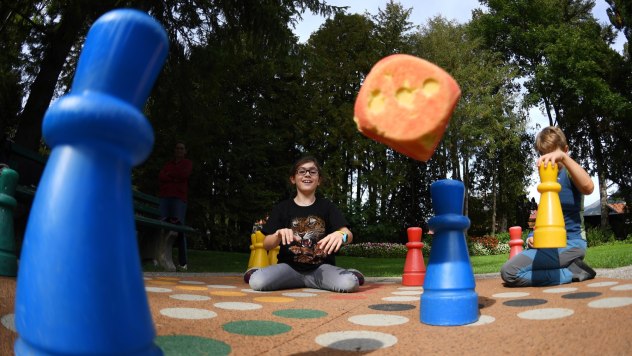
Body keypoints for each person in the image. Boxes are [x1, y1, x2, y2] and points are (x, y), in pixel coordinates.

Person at [246, 156, 364, 293]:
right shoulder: (282, 208)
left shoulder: (328, 207)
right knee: (257, 281)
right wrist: (278, 235)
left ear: (319, 180)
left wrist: (341, 235)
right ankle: (258, 273)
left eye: (312, 171)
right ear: (293, 178)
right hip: (289, 269)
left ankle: (351, 275)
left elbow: (349, 235)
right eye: (301, 171)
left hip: (322, 270)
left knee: (349, 283)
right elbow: (267, 244)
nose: (307, 174)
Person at [501, 126, 596, 287]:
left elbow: (589, 187)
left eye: (553, 154)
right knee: (508, 271)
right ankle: (570, 268)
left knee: (510, 273)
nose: (548, 160)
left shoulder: (568, 173)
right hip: (548, 246)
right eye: (543, 155)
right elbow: (545, 217)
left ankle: (572, 272)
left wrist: (564, 158)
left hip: (571, 244)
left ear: (565, 150)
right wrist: (532, 236)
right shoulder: (547, 178)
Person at [158, 142, 193, 271]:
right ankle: (159, 257)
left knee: (179, 229)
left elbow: (184, 175)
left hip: (179, 199)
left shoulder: (187, 164)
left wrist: (170, 177)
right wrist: (174, 178)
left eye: (182, 148)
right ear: (174, 150)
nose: (179, 150)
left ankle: (183, 262)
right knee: (162, 227)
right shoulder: (168, 164)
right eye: (177, 148)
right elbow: (161, 176)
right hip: (165, 198)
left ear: (185, 151)